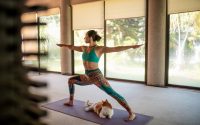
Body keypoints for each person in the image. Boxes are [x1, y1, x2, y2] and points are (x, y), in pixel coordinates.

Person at [57, 30, 143, 121]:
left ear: (90, 37)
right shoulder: (84, 48)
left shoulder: (99, 49)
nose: (84, 38)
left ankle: (131, 113)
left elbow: (116, 48)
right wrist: (64, 45)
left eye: (85, 36)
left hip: (97, 77)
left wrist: (132, 46)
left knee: (113, 93)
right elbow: (72, 47)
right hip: (87, 76)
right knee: (71, 80)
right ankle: (71, 101)